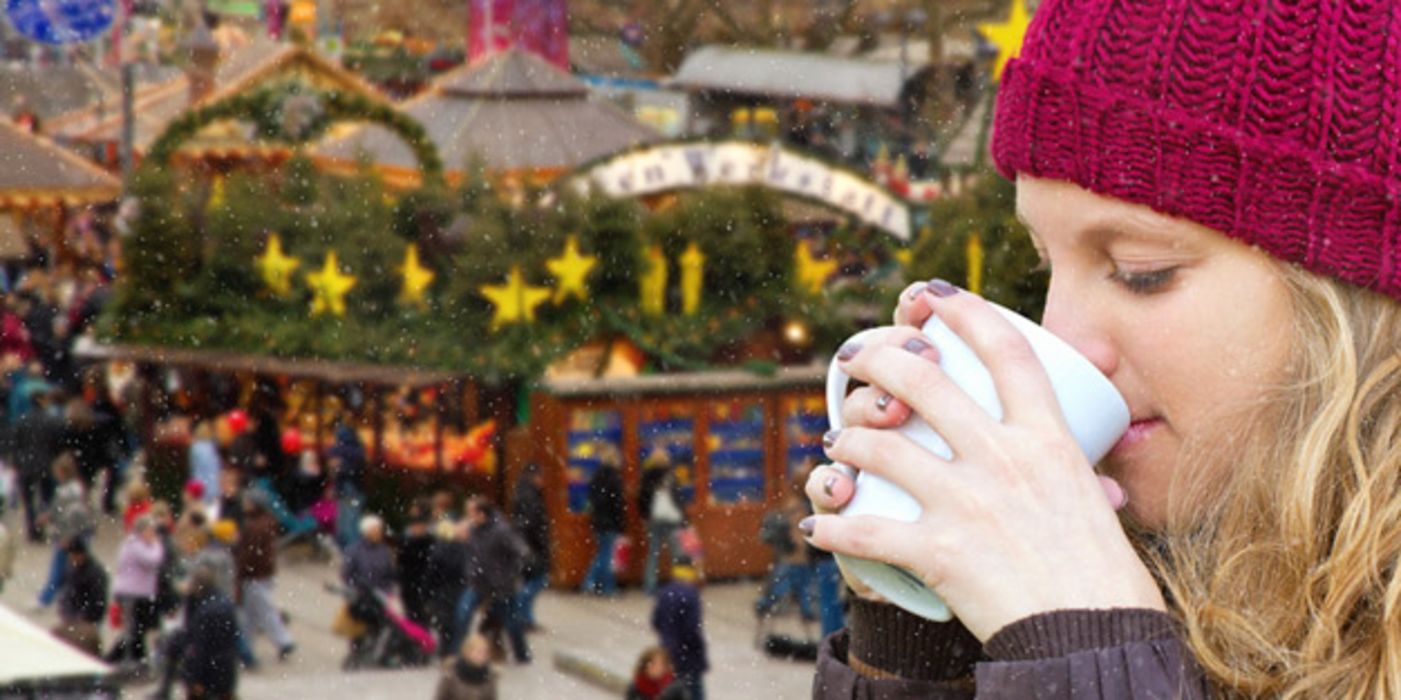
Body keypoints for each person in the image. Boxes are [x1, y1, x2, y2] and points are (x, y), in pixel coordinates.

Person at [803, 2, 1401, 697]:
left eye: (1140, 272)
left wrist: (1087, 653)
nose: (1063, 341)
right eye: (1041, 267)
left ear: (1356, 293)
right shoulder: (1183, 551)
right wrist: (928, 641)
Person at [233, 492, 296, 662]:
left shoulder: (255, 526)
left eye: (247, 501)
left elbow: (250, 554)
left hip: (255, 574)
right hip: (262, 573)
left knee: (261, 610)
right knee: (252, 613)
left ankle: (283, 640)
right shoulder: (264, 523)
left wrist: (240, 569)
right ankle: (247, 646)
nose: (244, 504)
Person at [107, 514, 165, 667]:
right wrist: (157, 545)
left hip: (138, 592)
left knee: (138, 629)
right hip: (133, 593)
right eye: (150, 531)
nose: (153, 535)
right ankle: (119, 658)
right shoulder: (135, 545)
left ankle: (137, 658)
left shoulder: (132, 543)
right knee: (133, 629)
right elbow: (153, 560)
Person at [650, 558, 707, 700]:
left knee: (671, 693)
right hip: (688, 657)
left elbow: (655, 621)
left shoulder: (665, 591)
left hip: (667, 654)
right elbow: (692, 629)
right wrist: (698, 649)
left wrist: (667, 639)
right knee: (694, 693)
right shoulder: (691, 594)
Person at [180, 568, 240, 700]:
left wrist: (195, 678)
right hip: (227, 668)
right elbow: (236, 635)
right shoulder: (226, 603)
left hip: (207, 673)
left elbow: (198, 647)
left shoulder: (203, 612)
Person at [637, 450, 685, 594]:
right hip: (672, 518)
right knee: (677, 553)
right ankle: (680, 584)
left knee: (653, 553)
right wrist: (684, 518)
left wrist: (645, 516)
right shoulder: (671, 475)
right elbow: (678, 498)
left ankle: (649, 585)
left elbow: (641, 498)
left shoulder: (647, 476)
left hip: (654, 518)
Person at [580, 450, 625, 596]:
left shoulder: (596, 476)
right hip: (609, 522)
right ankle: (603, 586)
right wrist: (620, 522)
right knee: (605, 557)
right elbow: (617, 504)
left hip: (598, 521)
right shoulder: (614, 478)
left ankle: (596, 584)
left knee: (602, 554)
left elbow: (592, 498)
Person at [53, 537, 108, 657]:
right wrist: (67, 614)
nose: (72, 559)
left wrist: (84, 618)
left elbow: (98, 600)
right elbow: (66, 593)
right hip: (73, 617)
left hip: (87, 620)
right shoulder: (72, 568)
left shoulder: (95, 572)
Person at [510, 463, 549, 630]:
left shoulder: (523, 492)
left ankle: (525, 617)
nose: (543, 481)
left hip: (526, 545)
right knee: (537, 581)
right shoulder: (530, 496)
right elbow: (532, 523)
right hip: (532, 546)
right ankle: (520, 615)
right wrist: (540, 543)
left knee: (530, 581)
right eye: (541, 477)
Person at [341, 514, 396, 595]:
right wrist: (359, 587)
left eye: (380, 530)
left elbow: (390, 574)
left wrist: (386, 590)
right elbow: (346, 574)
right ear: (367, 532)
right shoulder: (354, 550)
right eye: (376, 530)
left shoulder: (384, 551)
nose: (379, 533)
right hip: (359, 594)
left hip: (381, 596)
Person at [433, 633, 497, 700]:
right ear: (468, 652)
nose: (482, 656)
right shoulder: (451, 674)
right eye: (478, 652)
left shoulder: (489, 677)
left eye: (485, 653)